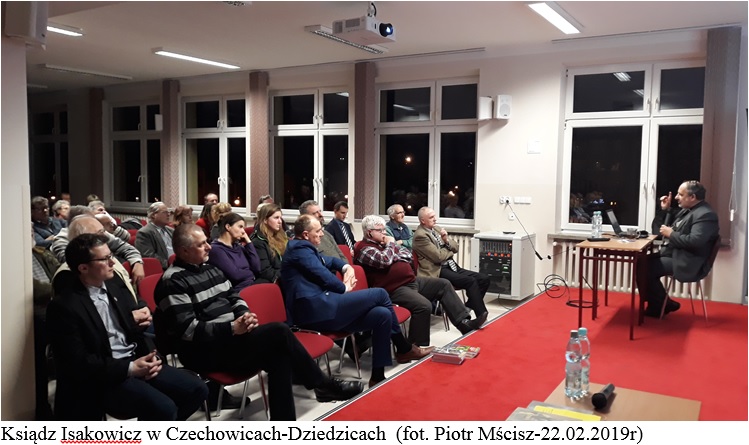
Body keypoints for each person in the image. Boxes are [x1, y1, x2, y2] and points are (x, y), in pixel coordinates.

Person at [154, 223, 363, 420]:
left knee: (279, 354)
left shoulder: (210, 269)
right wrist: (232, 328)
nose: (209, 247)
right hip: (204, 350)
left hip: (230, 340)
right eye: (201, 245)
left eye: (207, 241)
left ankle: (284, 426)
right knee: (279, 331)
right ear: (184, 251)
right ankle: (322, 385)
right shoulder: (172, 281)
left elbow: (234, 297)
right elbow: (188, 330)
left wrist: (244, 314)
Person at [47, 233, 208, 420]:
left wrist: (153, 356)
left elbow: (133, 331)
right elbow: (79, 362)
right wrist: (130, 368)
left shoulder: (113, 286)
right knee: (164, 408)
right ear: (83, 268)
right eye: (105, 259)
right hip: (105, 374)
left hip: (134, 358)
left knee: (197, 389)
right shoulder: (65, 306)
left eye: (111, 256)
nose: (113, 262)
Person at [281, 214, 433, 387]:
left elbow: (329, 261)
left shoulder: (305, 247)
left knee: (382, 314)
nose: (322, 233)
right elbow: (321, 274)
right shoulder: (299, 250)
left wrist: (346, 267)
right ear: (306, 234)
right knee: (380, 294)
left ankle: (377, 376)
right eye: (318, 231)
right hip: (315, 311)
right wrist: (344, 287)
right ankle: (404, 348)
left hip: (326, 305)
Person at [354, 215, 487, 346]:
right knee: (423, 306)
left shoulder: (383, 245)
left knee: (443, 284)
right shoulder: (364, 248)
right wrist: (391, 245)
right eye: (380, 230)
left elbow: (408, 255)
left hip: (410, 281)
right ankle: (415, 346)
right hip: (392, 289)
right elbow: (385, 261)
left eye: (384, 229)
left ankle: (464, 323)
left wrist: (391, 252)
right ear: (369, 233)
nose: (384, 233)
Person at [639, 180, 720, 317]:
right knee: (641, 261)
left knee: (646, 267)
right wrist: (665, 210)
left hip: (689, 261)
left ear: (692, 197)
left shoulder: (705, 214)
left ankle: (660, 305)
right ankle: (662, 303)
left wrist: (672, 234)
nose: (676, 197)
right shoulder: (689, 211)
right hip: (675, 254)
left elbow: (695, 241)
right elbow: (660, 231)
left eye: (680, 195)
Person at [413, 206, 490, 317]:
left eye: (434, 216)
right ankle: (481, 314)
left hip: (451, 265)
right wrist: (449, 250)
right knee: (470, 281)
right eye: (431, 217)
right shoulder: (420, 236)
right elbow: (438, 257)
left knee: (483, 279)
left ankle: (468, 306)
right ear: (422, 221)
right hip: (438, 270)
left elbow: (456, 247)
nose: (435, 219)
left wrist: (446, 241)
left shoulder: (436, 229)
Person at [51, 208, 146, 287]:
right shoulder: (62, 241)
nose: (104, 235)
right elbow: (75, 266)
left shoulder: (98, 232)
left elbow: (126, 247)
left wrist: (137, 262)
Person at [31, 228, 60, 420]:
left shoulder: (39, 253)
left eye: (31, 230)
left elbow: (61, 272)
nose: (31, 233)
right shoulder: (12, 258)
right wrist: (62, 289)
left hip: (53, 304)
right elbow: (32, 289)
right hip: (33, 312)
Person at [208, 212, 261, 293]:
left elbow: (257, 268)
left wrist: (248, 242)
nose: (243, 232)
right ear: (228, 227)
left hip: (251, 285)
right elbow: (235, 275)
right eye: (240, 227)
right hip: (236, 292)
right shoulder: (216, 249)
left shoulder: (237, 247)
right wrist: (251, 273)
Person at [250, 203, 287, 284]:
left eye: (280, 218)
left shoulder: (282, 237)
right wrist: (288, 275)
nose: (280, 221)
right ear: (265, 220)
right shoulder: (258, 242)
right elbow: (265, 271)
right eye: (276, 218)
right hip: (274, 281)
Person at [135, 202, 174, 270]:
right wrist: (171, 264)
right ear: (153, 215)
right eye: (164, 212)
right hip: (165, 268)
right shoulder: (144, 233)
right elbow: (149, 256)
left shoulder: (171, 231)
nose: (168, 214)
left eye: (168, 212)